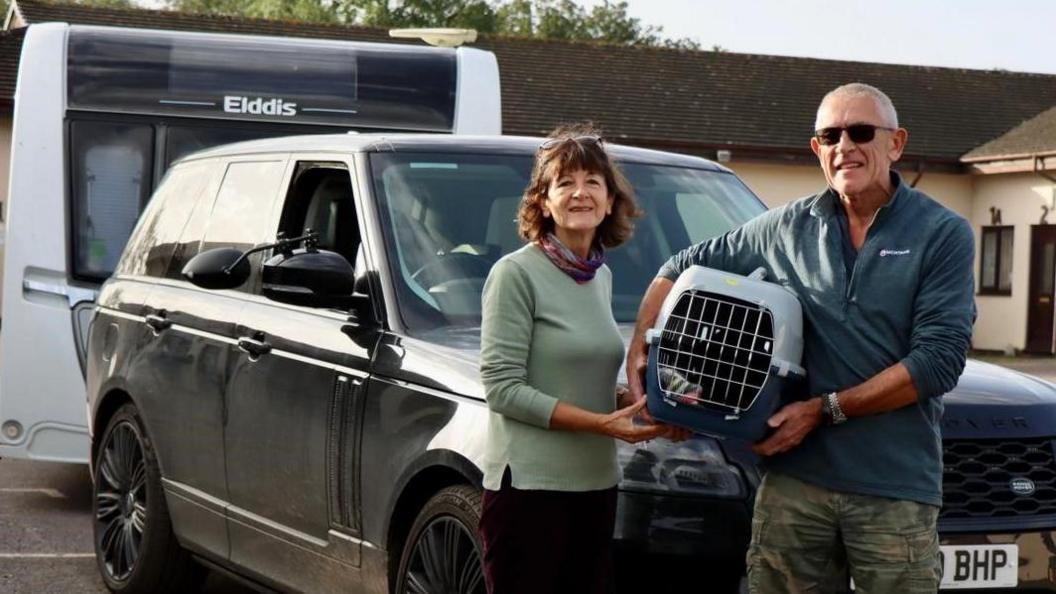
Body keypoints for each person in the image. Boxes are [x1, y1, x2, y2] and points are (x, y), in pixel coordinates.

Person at [626, 83, 976, 593]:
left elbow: (940, 360)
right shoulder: (784, 227)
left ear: (896, 143)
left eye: (861, 132)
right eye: (829, 135)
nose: (844, 147)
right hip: (793, 486)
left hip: (894, 491)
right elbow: (678, 265)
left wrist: (824, 409)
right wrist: (642, 351)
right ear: (817, 149)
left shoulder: (941, 234)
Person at [478, 126, 676, 594]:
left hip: (595, 486)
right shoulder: (515, 274)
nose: (580, 193)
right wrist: (601, 424)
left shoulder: (599, 277)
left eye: (593, 181)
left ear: (610, 201)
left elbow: (575, 374)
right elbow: (502, 389)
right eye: (565, 183)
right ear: (543, 202)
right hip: (530, 491)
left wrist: (644, 404)